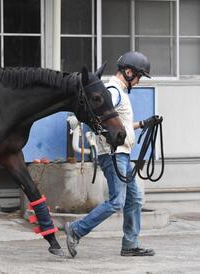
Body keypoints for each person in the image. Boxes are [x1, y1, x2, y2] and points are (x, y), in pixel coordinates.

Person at [65, 51, 158, 257]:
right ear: (128, 71)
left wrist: (143, 124)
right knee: (117, 201)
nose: (139, 81)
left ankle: (130, 244)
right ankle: (76, 229)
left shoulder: (119, 91)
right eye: (139, 76)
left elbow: (118, 126)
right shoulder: (113, 91)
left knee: (134, 199)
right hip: (114, 154)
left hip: (122, 153)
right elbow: (99, 120)